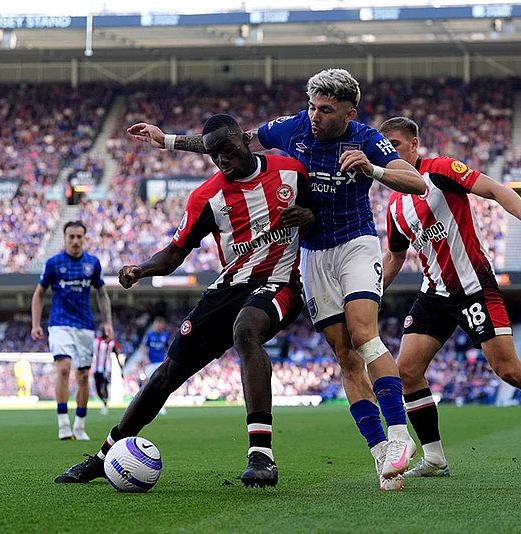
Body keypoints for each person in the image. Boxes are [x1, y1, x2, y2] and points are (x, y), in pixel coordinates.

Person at [128, 69, 427, 490]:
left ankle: (398, 435)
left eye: (326, 110)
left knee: (363, 334)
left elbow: (416, 182)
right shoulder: (291, 128)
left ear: (349, 113)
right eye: (313, 106)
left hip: (356, 243)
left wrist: (372, 168)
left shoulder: (366, 139)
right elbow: (234, 140)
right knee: (345, 356)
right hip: (313, 254)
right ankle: (381, 454)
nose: (316, 116)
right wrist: (169, 141)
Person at [54, 114, 314, 488]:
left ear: (244, 140)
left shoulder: (291, 172)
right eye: (214, 154)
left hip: (280, 283)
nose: (221, 159)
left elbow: (322, 217)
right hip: (227, 290)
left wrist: (308, 216)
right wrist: (141, 269)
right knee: (165, 375)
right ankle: (103, 456)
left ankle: (261, 454)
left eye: (226, 150)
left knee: (246, 330)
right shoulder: (207, 197)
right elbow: (175, 254)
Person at [379, 117, 521, 476]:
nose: (389, 153)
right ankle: (434, 458)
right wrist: (370, 294)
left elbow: (496, 190)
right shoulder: (393, 205)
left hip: (474, 287)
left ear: (415, 144)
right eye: (384, 147)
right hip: (434, 293)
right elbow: (395, 257)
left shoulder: (440, 170)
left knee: (508, 370)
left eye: (396, 145)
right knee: (407, 370)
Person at [31, 221, 114, 441]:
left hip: (85, 325)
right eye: (71, 237)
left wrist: (108, 322)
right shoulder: (53, 263)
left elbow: (102, 294)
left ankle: (79, 425)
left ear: (84, 239)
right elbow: (39, 293)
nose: (75, 241)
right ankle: (63, 424)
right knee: (63, 369)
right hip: (59, 323)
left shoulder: (93, 263)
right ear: (65, 238)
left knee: (83, 375)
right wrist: (35, 324)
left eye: (79, 237)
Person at [143, 317, 172, 415]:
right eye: (157, 324)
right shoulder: (149, 335)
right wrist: (145, 358)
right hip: (150, 363)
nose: (158, 326)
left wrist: (166, 359)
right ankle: (146, 404)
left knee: (161, 384)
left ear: (162, 325)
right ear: (154, 325)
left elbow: (169, 348)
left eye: (160, 324)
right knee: (149, 384)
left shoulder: (165, 336)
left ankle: (160, 406)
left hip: (160, 363)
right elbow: (144, 347)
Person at [93, 330, 118, 415]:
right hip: (97, 368)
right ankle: (103, 401)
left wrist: (121, 368)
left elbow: (116, 354)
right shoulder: (96, 341)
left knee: (104, 385)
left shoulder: (112, 343)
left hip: (106, 368)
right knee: (98, 387)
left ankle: (105, 404)